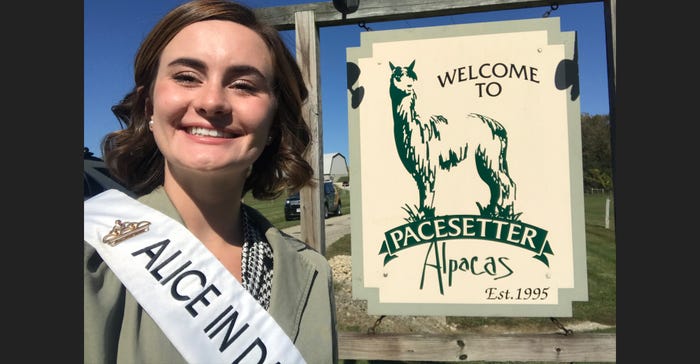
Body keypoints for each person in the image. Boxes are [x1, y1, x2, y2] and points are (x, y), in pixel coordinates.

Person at [83, 1, 338, 363]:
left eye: (244, 85)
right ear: (148, 107)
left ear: (273, 123)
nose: (213, 101)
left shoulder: (310, 273)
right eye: (187, 76)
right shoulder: (91, 259)